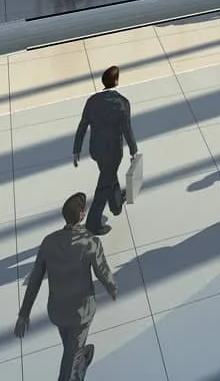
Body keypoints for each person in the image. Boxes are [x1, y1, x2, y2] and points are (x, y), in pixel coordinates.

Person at [14, 192, 116, 381]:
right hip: (81, 313)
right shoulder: (91, 242)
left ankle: (80, 358)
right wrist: (111, 287)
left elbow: (35, 277)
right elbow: (102, 270)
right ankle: (78, 364)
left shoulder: (49, 242)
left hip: (58, 311)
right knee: (68, 364)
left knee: (70, 347)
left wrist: (24, 313)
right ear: (81, 216)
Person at [72, 66, 139, 234]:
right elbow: (127, 129)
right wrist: (133, 150)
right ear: (116, 81)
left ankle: (116, 205)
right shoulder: (123, 103)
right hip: (114, 150)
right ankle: (93, 223)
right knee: (104, 185)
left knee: (108, 174)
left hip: (96, 149)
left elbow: (82, 126)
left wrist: (77, 149)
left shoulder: (92, 101)